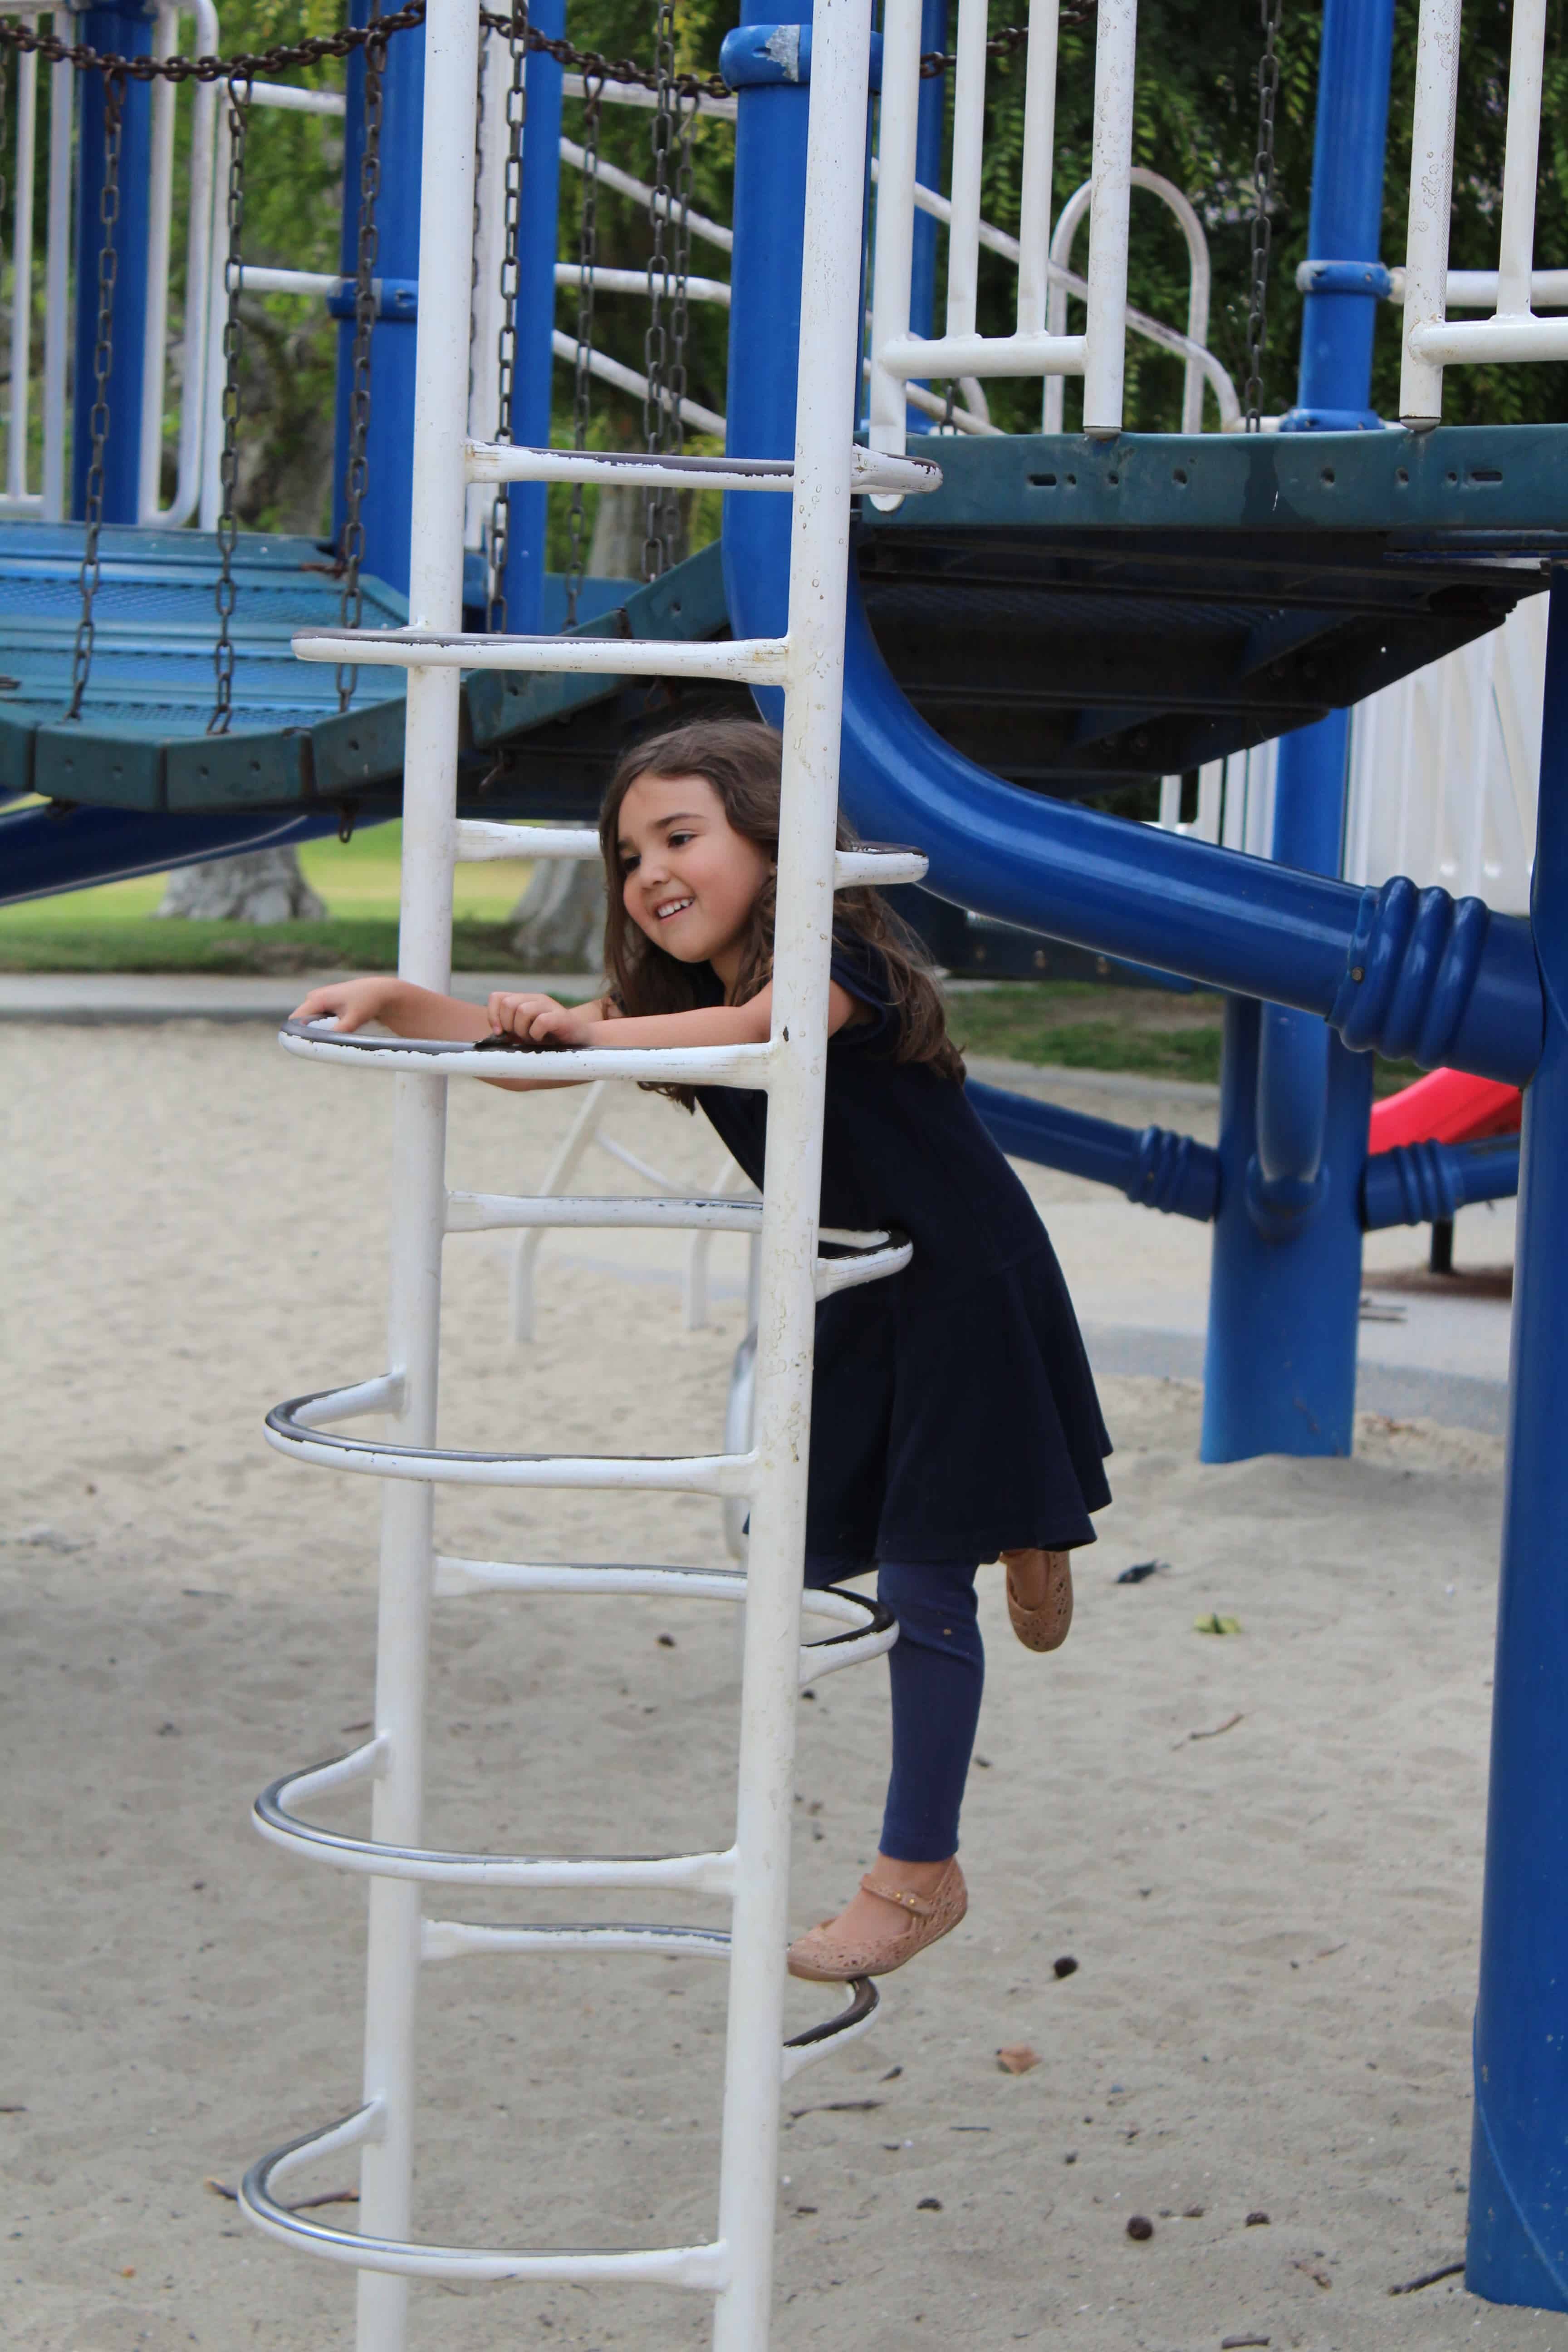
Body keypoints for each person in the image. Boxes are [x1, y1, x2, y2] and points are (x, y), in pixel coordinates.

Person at [292, 717, 1112, 1980]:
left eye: (682, 836)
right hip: (863, 1287)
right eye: (628, 855)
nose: (650, 873)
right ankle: (1024, 1516)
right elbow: (545, 1063)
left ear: (774, 844)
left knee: (918, 1580)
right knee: (913, 1526)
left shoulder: (834, 957)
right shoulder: (684, 1002)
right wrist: (412, 1004)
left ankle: (917, 1872)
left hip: (961, 1282)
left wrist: (575, 1033)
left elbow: (775, 1031)